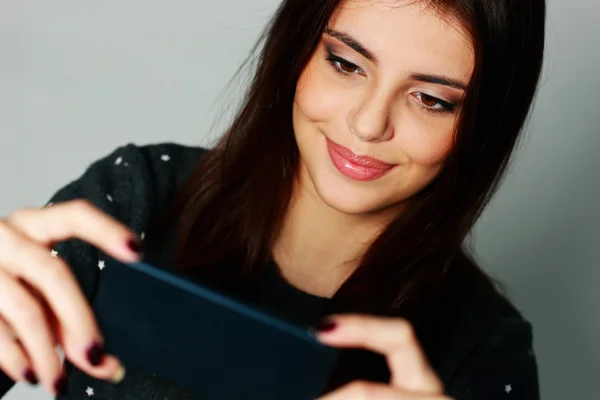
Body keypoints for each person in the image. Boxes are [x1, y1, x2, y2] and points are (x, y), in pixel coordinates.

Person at [0, 0, 546, 399]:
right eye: (346, 64)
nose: (367, 122)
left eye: (430, 99)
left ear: (482, 127)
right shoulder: (138, 196)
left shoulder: (484, 352)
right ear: (297, 53)